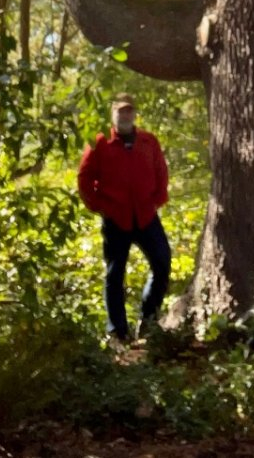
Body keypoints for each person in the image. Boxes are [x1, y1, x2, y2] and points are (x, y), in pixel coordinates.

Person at [77, 93, 171, 345]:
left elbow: (161, 171)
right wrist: (100, 206)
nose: (125, 115)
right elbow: (84, 179)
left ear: (134, 114)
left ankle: (149, 321)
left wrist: (157, 199)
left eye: (129, 111)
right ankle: (117, 331)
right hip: (116, 217)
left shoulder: (148, 141)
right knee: (114, 273)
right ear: (113, 115)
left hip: (145, 215)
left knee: (162, 263)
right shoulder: (99, 143)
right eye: (121, 111)